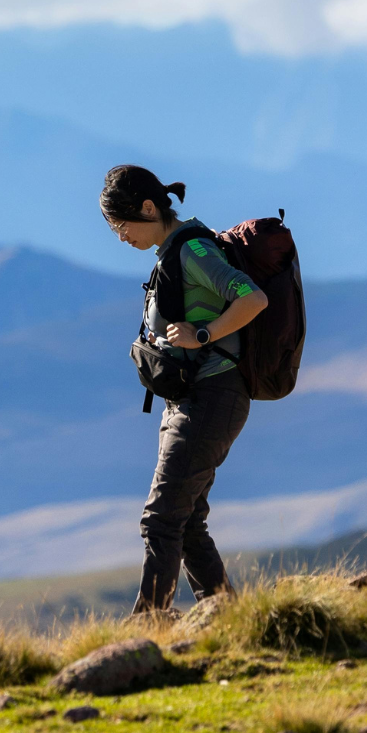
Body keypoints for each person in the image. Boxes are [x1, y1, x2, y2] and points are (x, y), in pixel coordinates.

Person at [100, 164, 268, 616]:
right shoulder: (170, 251)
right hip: (191, 400)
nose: (120, 237)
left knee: (161, 521)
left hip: (213, 397)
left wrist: (204, 335)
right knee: (187, 521)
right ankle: (228, 620)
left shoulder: (192, 249)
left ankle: (148, 628)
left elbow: (253, 298)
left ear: (149, 208)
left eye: (121, 225)